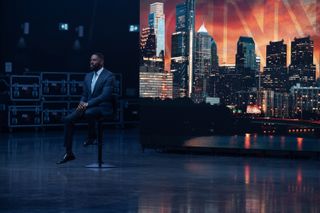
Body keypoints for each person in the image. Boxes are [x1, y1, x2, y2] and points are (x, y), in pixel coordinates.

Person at [57, 53, 115, 164]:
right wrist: (81, 105)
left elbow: (105, 96)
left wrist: (87, 105)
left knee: (88, 112)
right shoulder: (88, 76)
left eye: (94, 60)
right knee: (70, 120)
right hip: (89, 106)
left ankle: (92, 136)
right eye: (90, 60)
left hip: (103, 107)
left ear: (101, 62)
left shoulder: (109, 76)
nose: (91, 62)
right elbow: (84, 95)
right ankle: (69, 153)